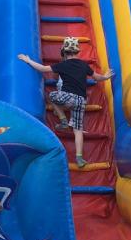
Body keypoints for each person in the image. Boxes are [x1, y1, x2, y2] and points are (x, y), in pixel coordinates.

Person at [17, 37, 114, 167]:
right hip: (81, 101)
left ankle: (63, 120)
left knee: (52, 95)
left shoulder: (63, 65)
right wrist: (106, 77)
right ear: (77, 52)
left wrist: (28, 60)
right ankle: (79, 158)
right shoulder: (84, 65)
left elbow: (42, 69)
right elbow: (97, 77)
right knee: (78, 130)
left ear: (64, 52)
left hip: (68, 98)